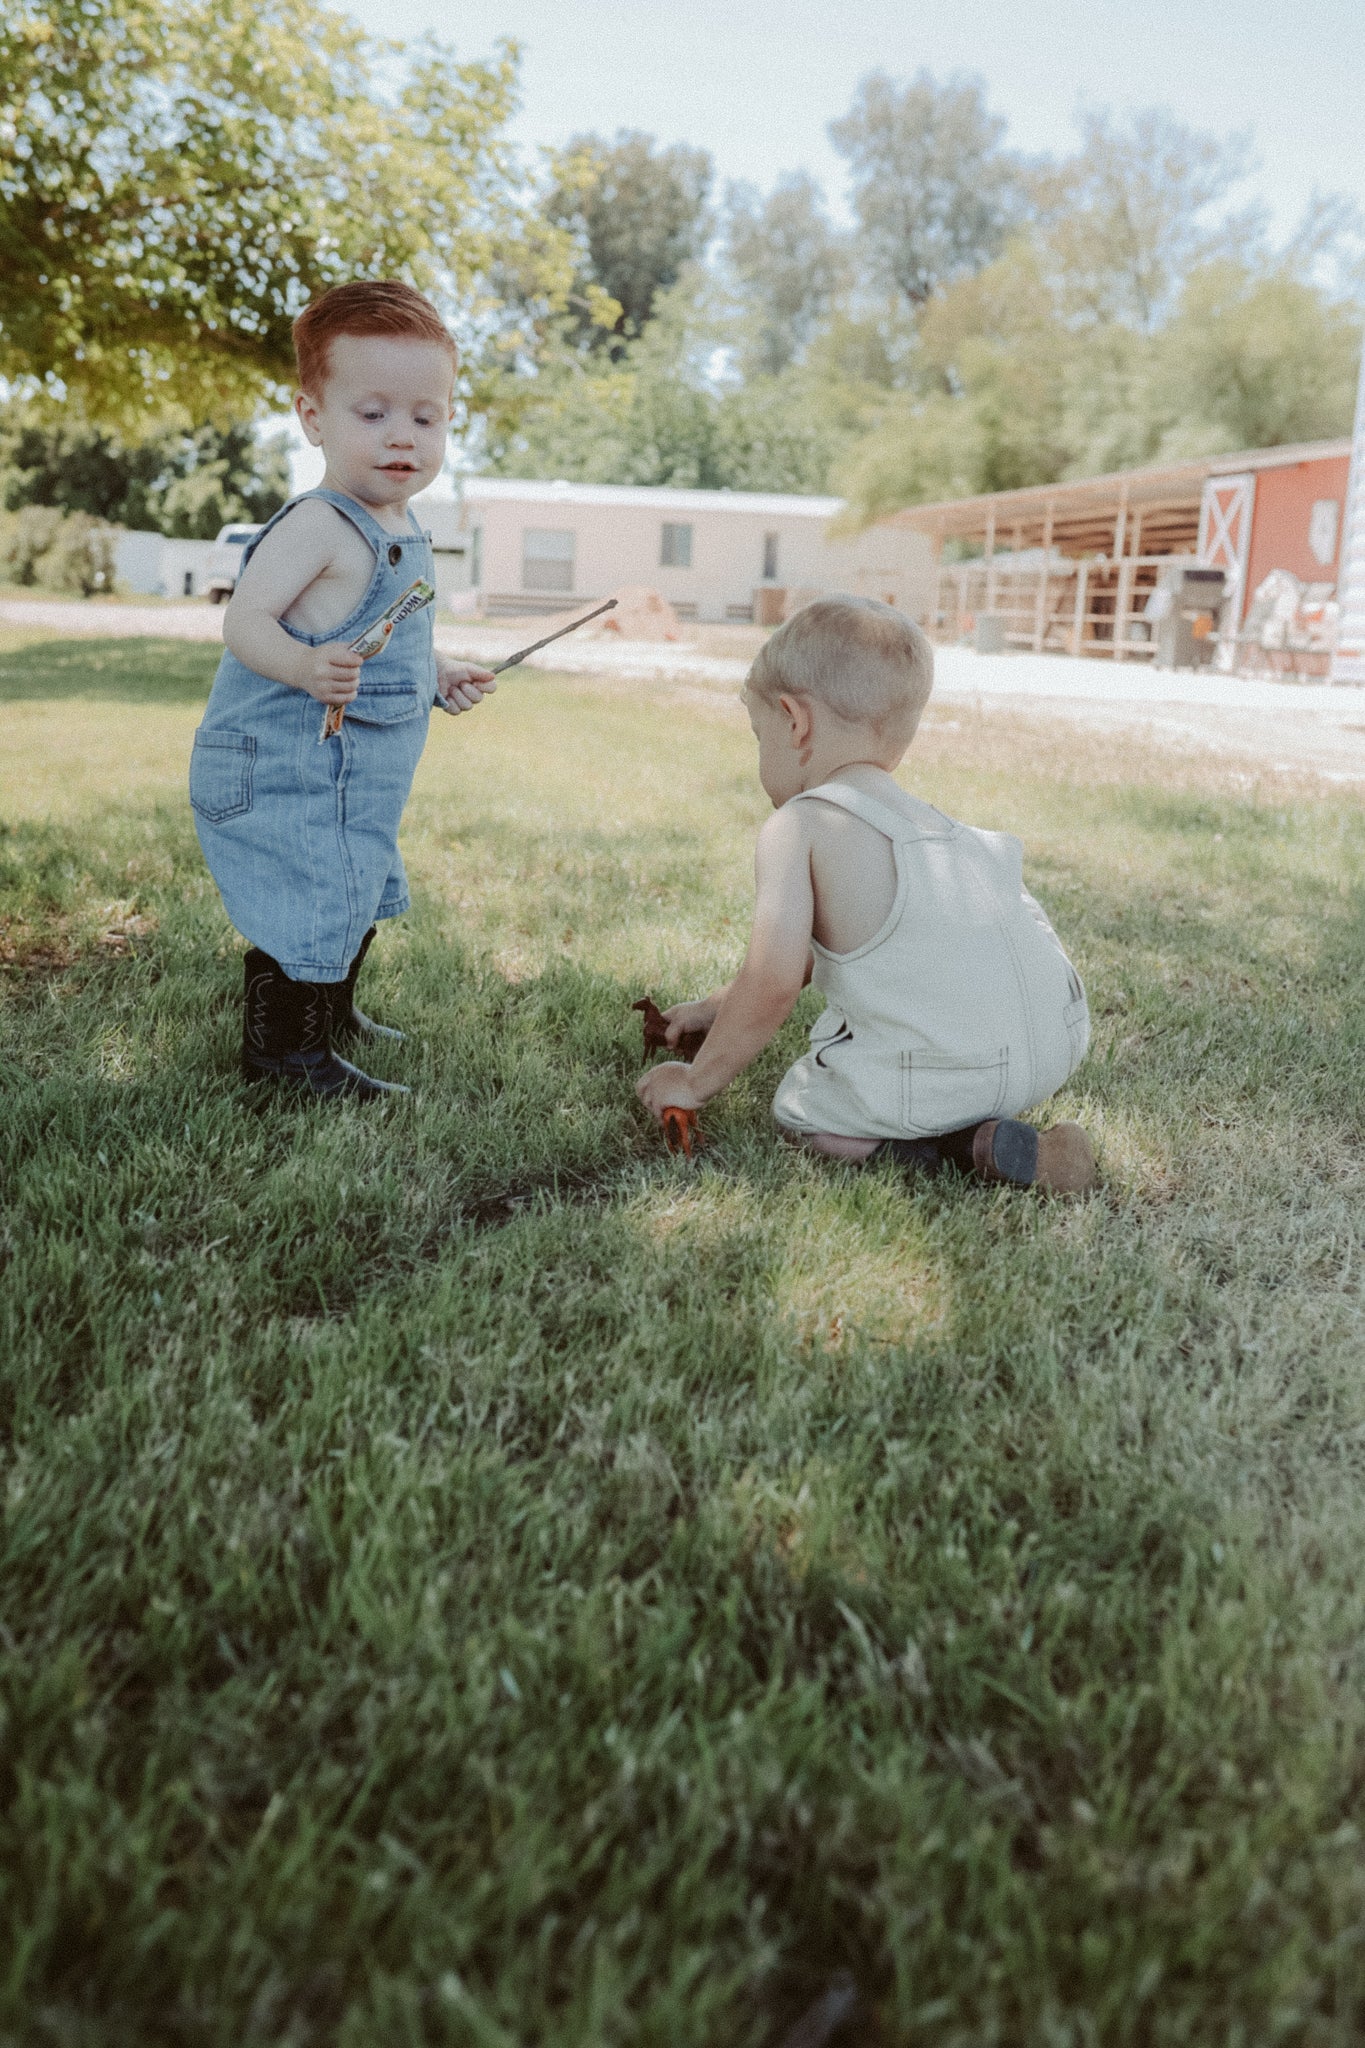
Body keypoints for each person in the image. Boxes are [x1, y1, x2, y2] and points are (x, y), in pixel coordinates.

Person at [636, 597, 1098, 1192]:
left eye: (759, 735)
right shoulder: (940, 828)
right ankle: (997, 1129)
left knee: (804, 1108)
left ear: (793, 721)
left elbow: (774, 979)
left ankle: (963, 1149)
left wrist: (695, 1081)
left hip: (953, 1072)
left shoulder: (800, 825)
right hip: (1051, 1051)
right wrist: (712, 1008)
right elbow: (803, 959)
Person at [189, 278, 495, 1100]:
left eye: (424, 418)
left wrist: (435, 674)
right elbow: (244, 622)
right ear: (313, 416)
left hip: (352, 774)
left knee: (354, 884)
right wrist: (298, 665)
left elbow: (381, 633)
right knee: (309, 895)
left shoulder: (402, 523)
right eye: (373, 414)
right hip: (287, 766)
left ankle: (331, 1011)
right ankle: (284, 1059)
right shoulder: (319, 524)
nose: (402, 437)